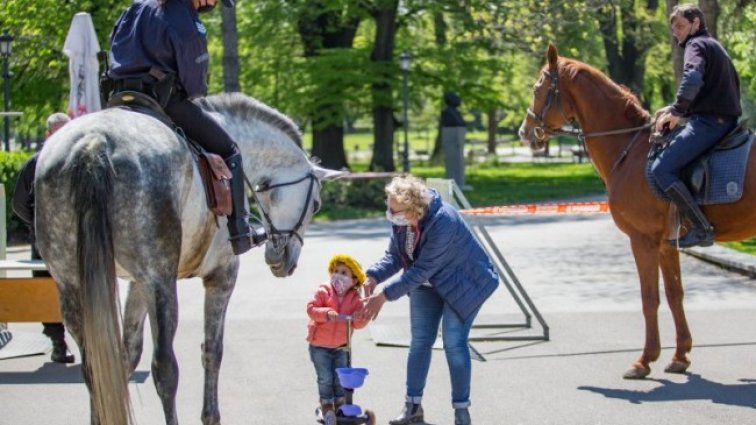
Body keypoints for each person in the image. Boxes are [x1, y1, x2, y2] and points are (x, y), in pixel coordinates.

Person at [105, 0, 255, 255]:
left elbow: (113, 45)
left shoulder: (136, 6)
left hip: (116, 98)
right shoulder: (187, 21)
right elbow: (195, 88)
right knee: (230, 150)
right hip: (162, 101)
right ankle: (240, 231)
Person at [360, 176, 498, 425]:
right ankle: (412, 408)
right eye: (388, 208)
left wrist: (383, 296)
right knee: (420, 342)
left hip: (464, 283)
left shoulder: (443, 219)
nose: (390, 214)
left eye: (395, 210)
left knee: (454, 342)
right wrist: (372, 277)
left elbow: (422, 268)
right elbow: (395, 256)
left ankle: (461, 412)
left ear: (414, 208)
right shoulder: (402, 221)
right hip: (426, 284)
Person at [651, 3, 741, 248]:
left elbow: (692, 77)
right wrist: (673, 107)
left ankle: (701, 229)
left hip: (709, 124)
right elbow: (709, 91)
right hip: (724, 121)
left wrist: (679, 111)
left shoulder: (696, 45)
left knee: (661, 168)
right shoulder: (714, 46)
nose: (676, 33)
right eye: (674, 29)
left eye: (680, 26)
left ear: (696, 24)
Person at [11, 112, 74, 364]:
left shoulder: (81, 164)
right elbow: (19, 204)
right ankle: (58, 343)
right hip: (45, 244)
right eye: (56, 132)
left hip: (77, 244)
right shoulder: (35, 164)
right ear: (48, 135)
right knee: (47, 292)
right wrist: (38, 226)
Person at [306, 254, 368, 424]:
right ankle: (326, 404)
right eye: (335, 271)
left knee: (341, 377)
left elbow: (358, 324)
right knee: (325, 377)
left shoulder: (355, 299)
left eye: (344, 273)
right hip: (319, 345)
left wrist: (359, 316)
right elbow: (311, 309)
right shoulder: (324, 291)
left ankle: (341, 402)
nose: (338, 275)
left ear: (354, 280)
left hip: (341, 346)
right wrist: (326, 313)